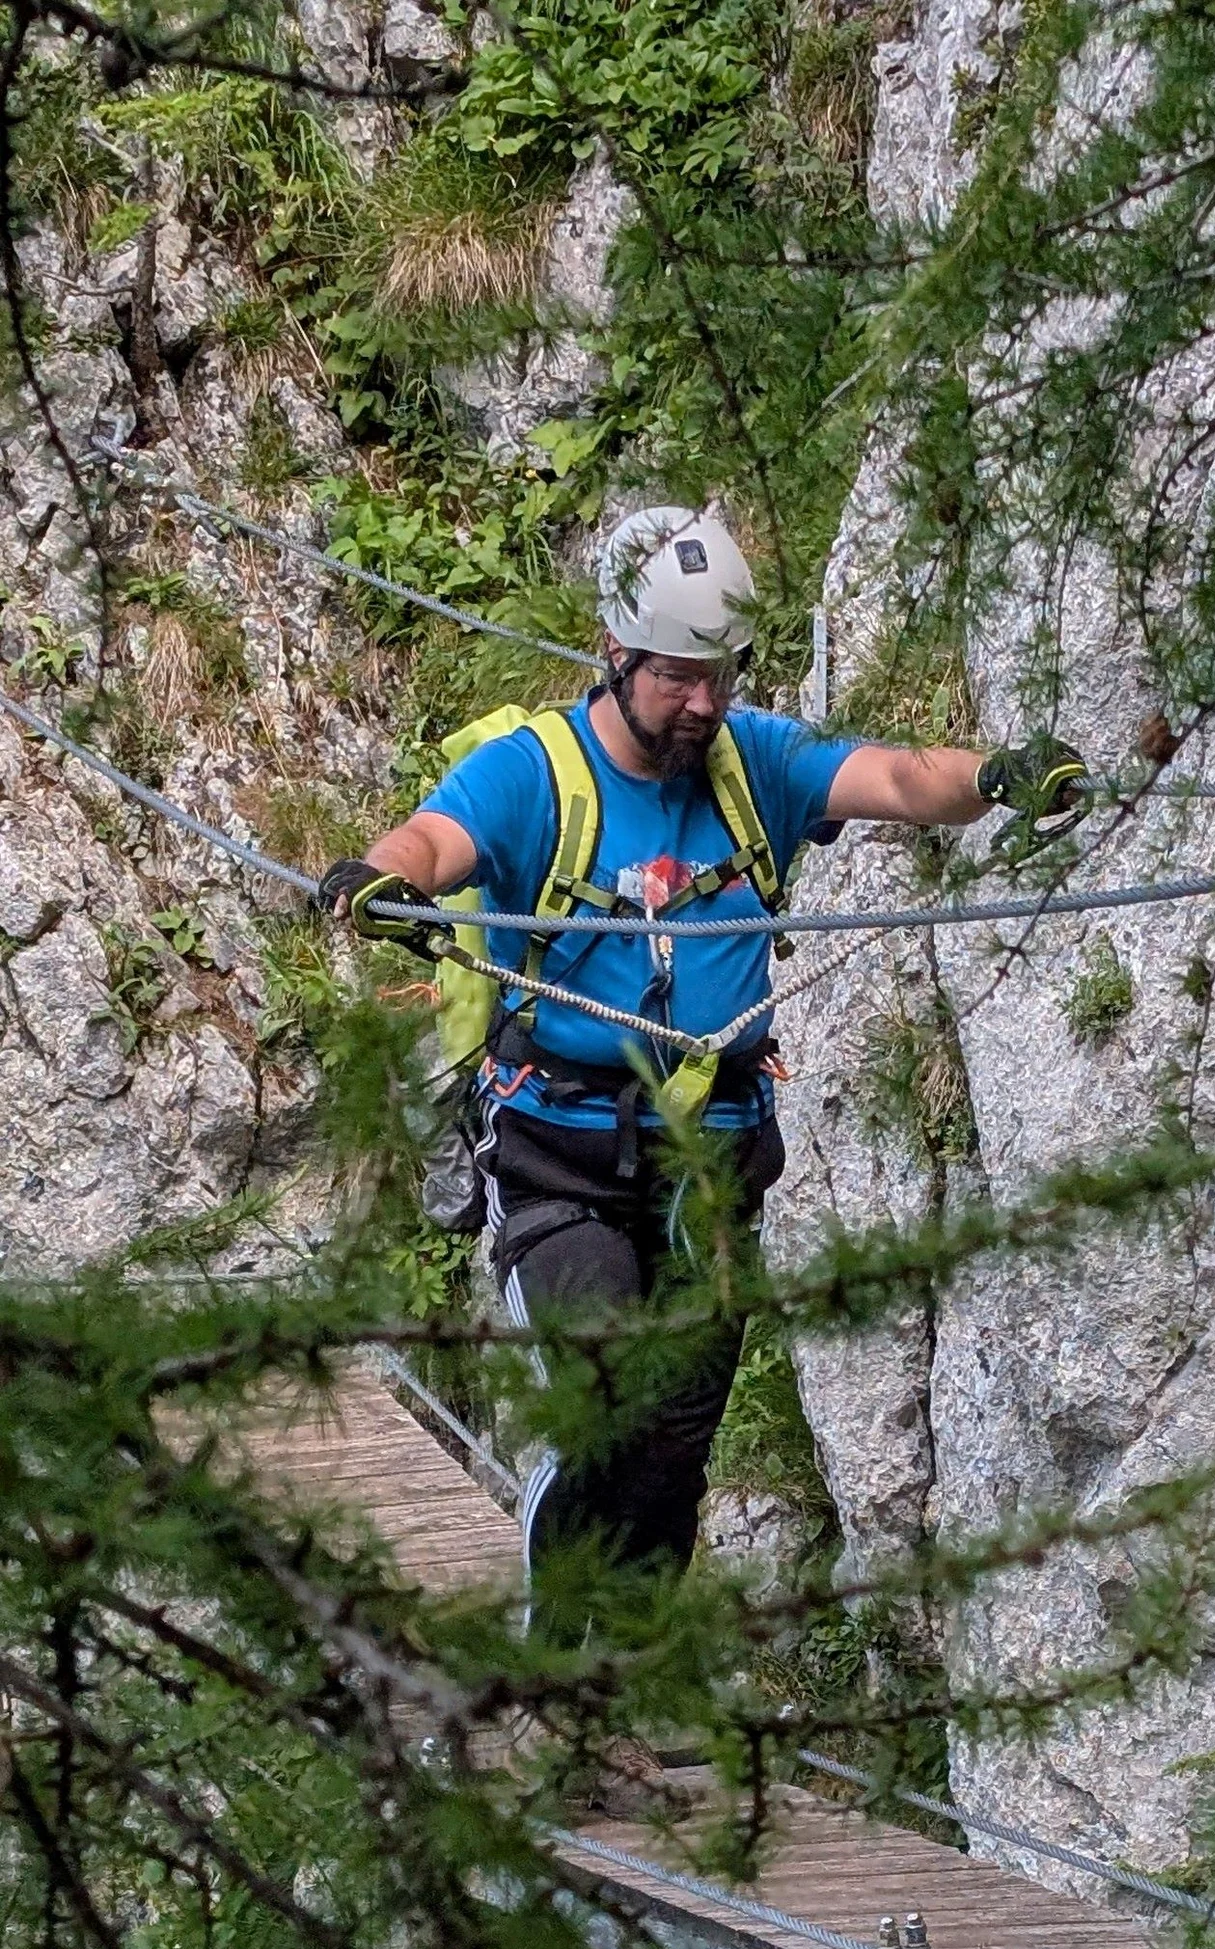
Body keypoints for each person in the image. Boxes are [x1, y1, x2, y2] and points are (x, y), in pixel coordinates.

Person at [321, 504, 1085, 1595]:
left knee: (671, 1466)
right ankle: (557, 1683)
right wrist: (382, 878)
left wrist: (1000, 774)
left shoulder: (752, 763)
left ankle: (632, 1692)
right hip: (561, 1162)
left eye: (720, 673)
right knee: (602, 1417)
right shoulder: (535, 773)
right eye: (678, 676)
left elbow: (900, 781)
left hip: (712, 1173)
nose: (703, 703)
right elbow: (435, 840)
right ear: (616, 653)